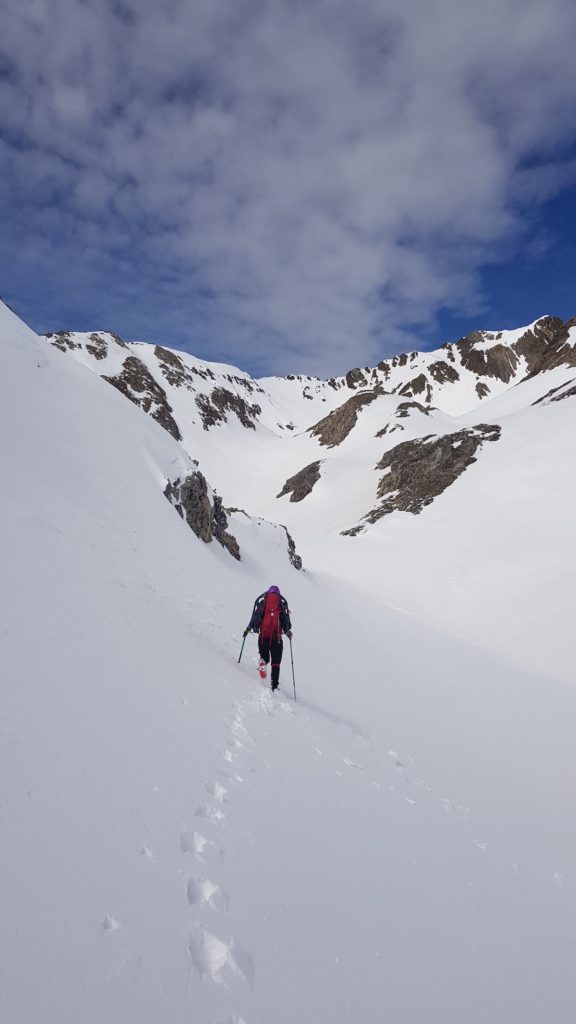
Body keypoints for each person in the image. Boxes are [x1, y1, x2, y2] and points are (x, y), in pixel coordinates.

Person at [244, 585, 292, 690]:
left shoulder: (263, 602)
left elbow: (255, 618)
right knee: (276, 664)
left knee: (265, 656)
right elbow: (286, 624)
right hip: (276, 639)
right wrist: (288, 633)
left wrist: (247, 629)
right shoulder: (281, 604)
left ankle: (263, 661)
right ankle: (274, 686)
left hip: (263, 637)